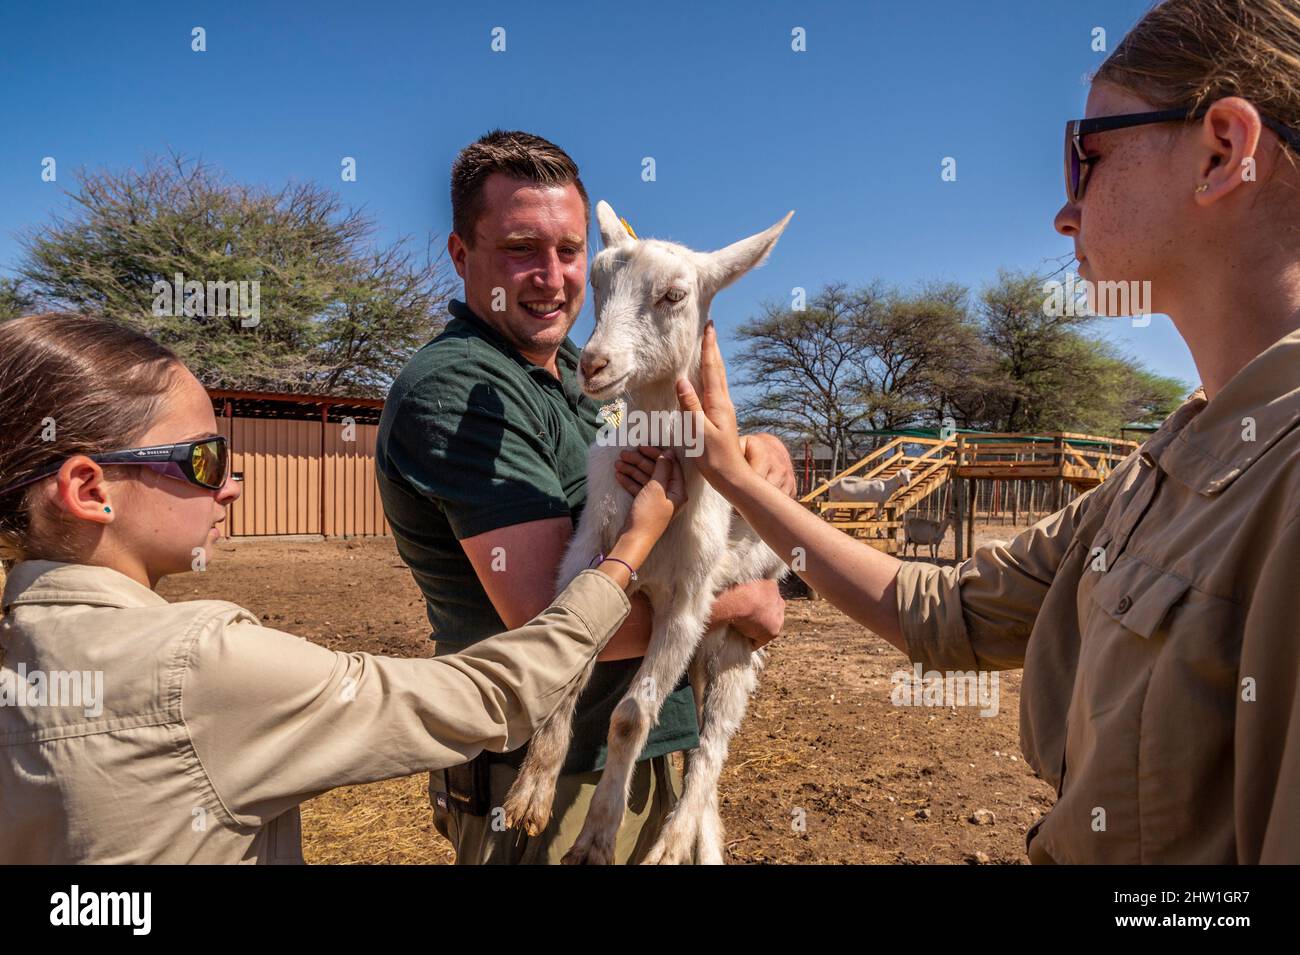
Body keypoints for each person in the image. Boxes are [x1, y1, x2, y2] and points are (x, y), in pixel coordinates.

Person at [632, 0, 1300, 865]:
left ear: (1222, 151)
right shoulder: (1169, 462)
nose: (1066, 213)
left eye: (1082, 157)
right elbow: (942, 612)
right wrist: (736, 480)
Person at [0, 312, 687, 864]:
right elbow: (488, 696)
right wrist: (631, 551)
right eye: (203, 460)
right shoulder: (199, 669)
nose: (230, 485)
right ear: (90, 489)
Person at [375, 130, 795, 864]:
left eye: (568, 250)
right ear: (460, 255)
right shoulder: (456, 391)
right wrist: (734, 603)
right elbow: (547, 612)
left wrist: (764, 457)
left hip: (637, 749)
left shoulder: (585, 370)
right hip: (543, 787)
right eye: (518, 249)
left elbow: (692, 440)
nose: (551, 275)